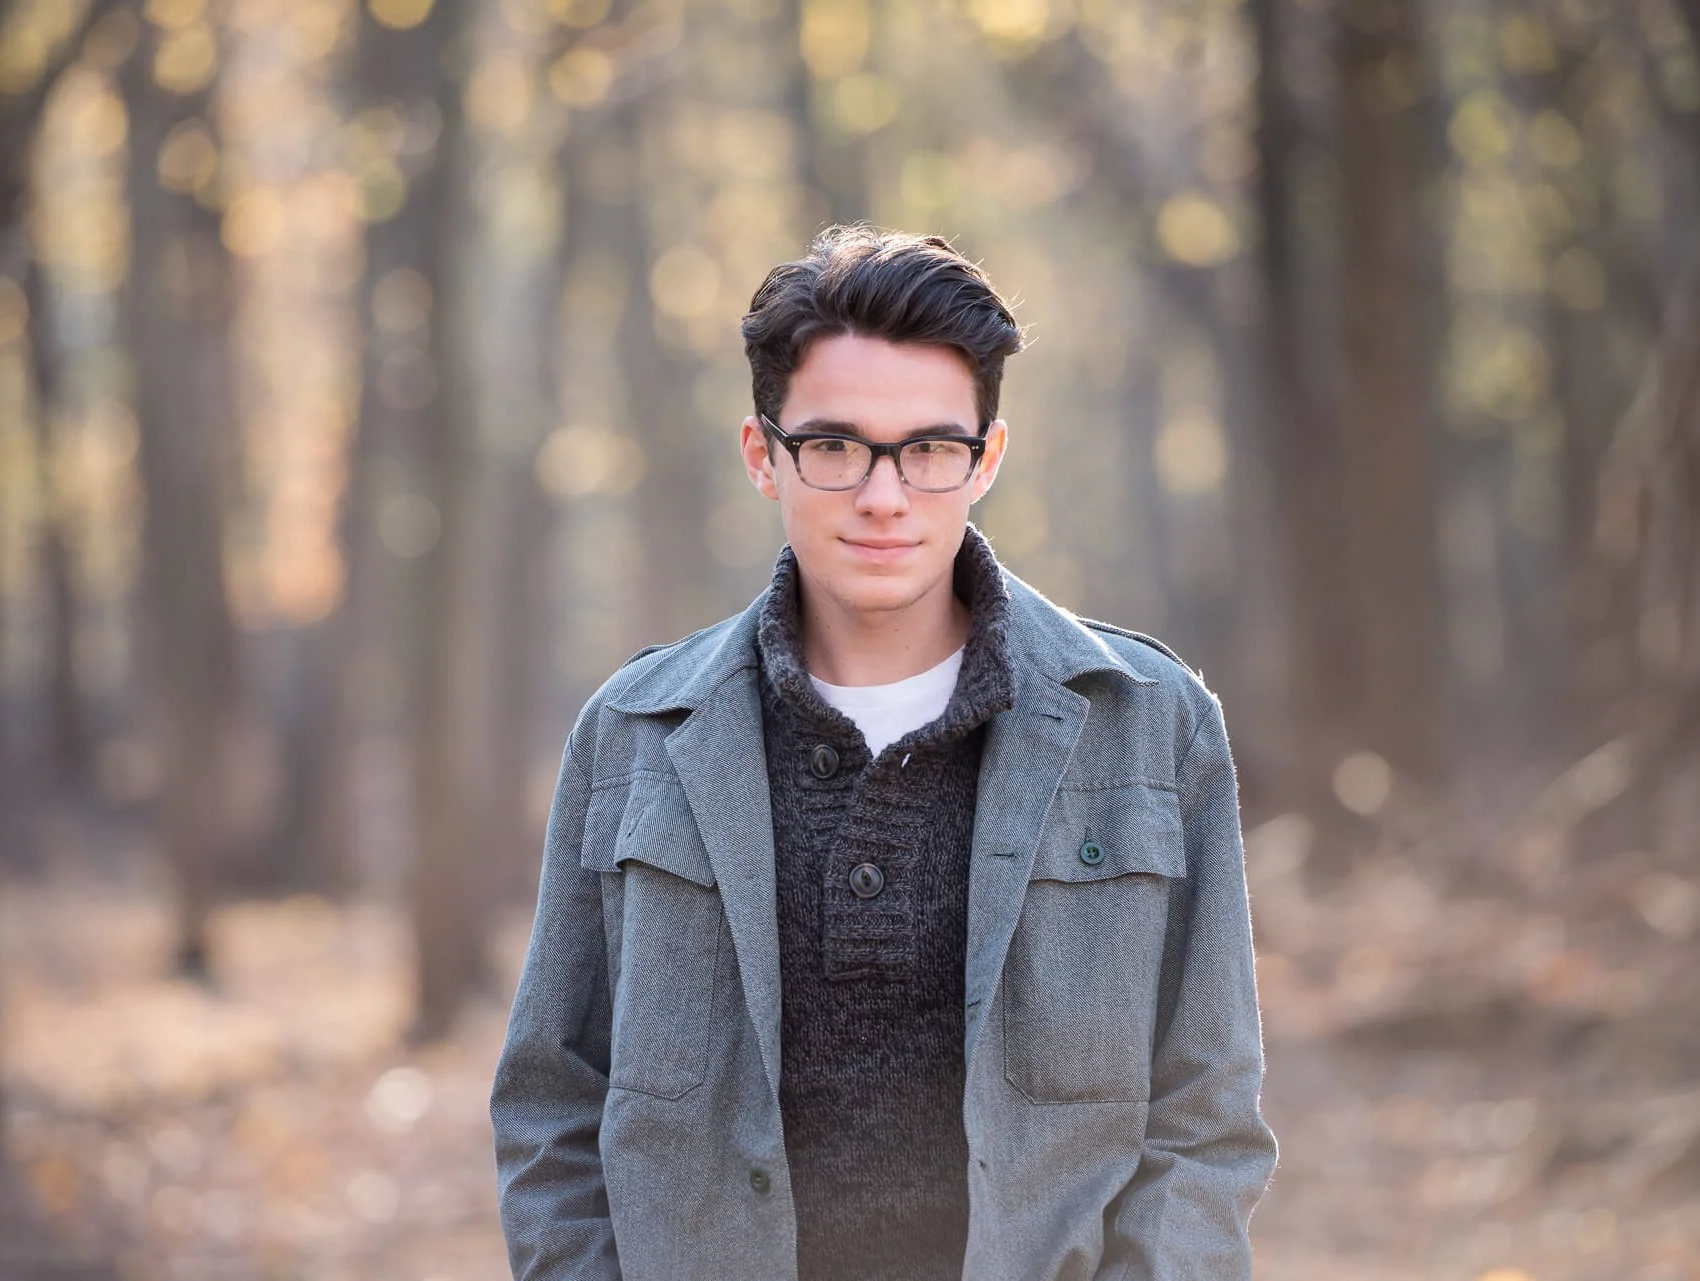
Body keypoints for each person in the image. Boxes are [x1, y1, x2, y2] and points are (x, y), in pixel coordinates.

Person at [491, 225, 1278, 1280]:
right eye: (834, 445)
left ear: (986, 459)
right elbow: (552, 1106)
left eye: (930, 448)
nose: (883, 495)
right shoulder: (634, 736)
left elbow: (1207, 1118)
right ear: (763, 456)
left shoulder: (1148, 724)